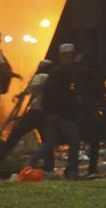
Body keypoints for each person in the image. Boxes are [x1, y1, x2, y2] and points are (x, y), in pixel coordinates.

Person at [0, 60, 54, 170]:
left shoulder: (41, 77)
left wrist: (20, 95)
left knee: (16, 134)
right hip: (45, 113)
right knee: (46, 140)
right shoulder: (52, 79)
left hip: (35, 112)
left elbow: (30, 89)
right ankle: (49, 165)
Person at [30, 44, 80, 178]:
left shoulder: (61, 72)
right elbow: (52, 94)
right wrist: (52, 113)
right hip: (61, 115)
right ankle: (72, 170)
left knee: (51, 142)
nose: (70, 60)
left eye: (71, 57)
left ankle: (31, 163)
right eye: (68, 57)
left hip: (57, 114)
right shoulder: (59, 74)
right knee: (73, 140)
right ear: (61, 57)